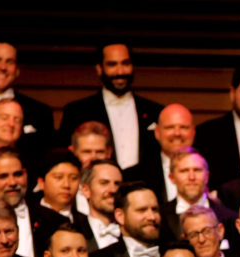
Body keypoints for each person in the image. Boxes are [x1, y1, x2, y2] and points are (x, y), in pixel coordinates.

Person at [59, 42, 163, 171]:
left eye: (125, 64)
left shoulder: (155, 111)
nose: (120, 71)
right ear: (99, 69)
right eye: (112, 64)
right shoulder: (76, 111)